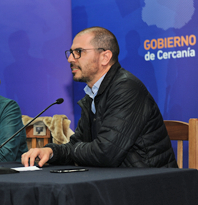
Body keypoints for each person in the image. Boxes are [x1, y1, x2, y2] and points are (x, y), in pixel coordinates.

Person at [22, 27, 178, 168]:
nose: (70, 59)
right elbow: (78, 144)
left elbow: (106, 153)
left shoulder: (126, 88)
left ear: (105, 57)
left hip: (151, 185)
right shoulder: (93, 94)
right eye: (71, 53)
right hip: (119, 180)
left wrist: (74, 150)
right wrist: (51, 151)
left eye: (79, 52)